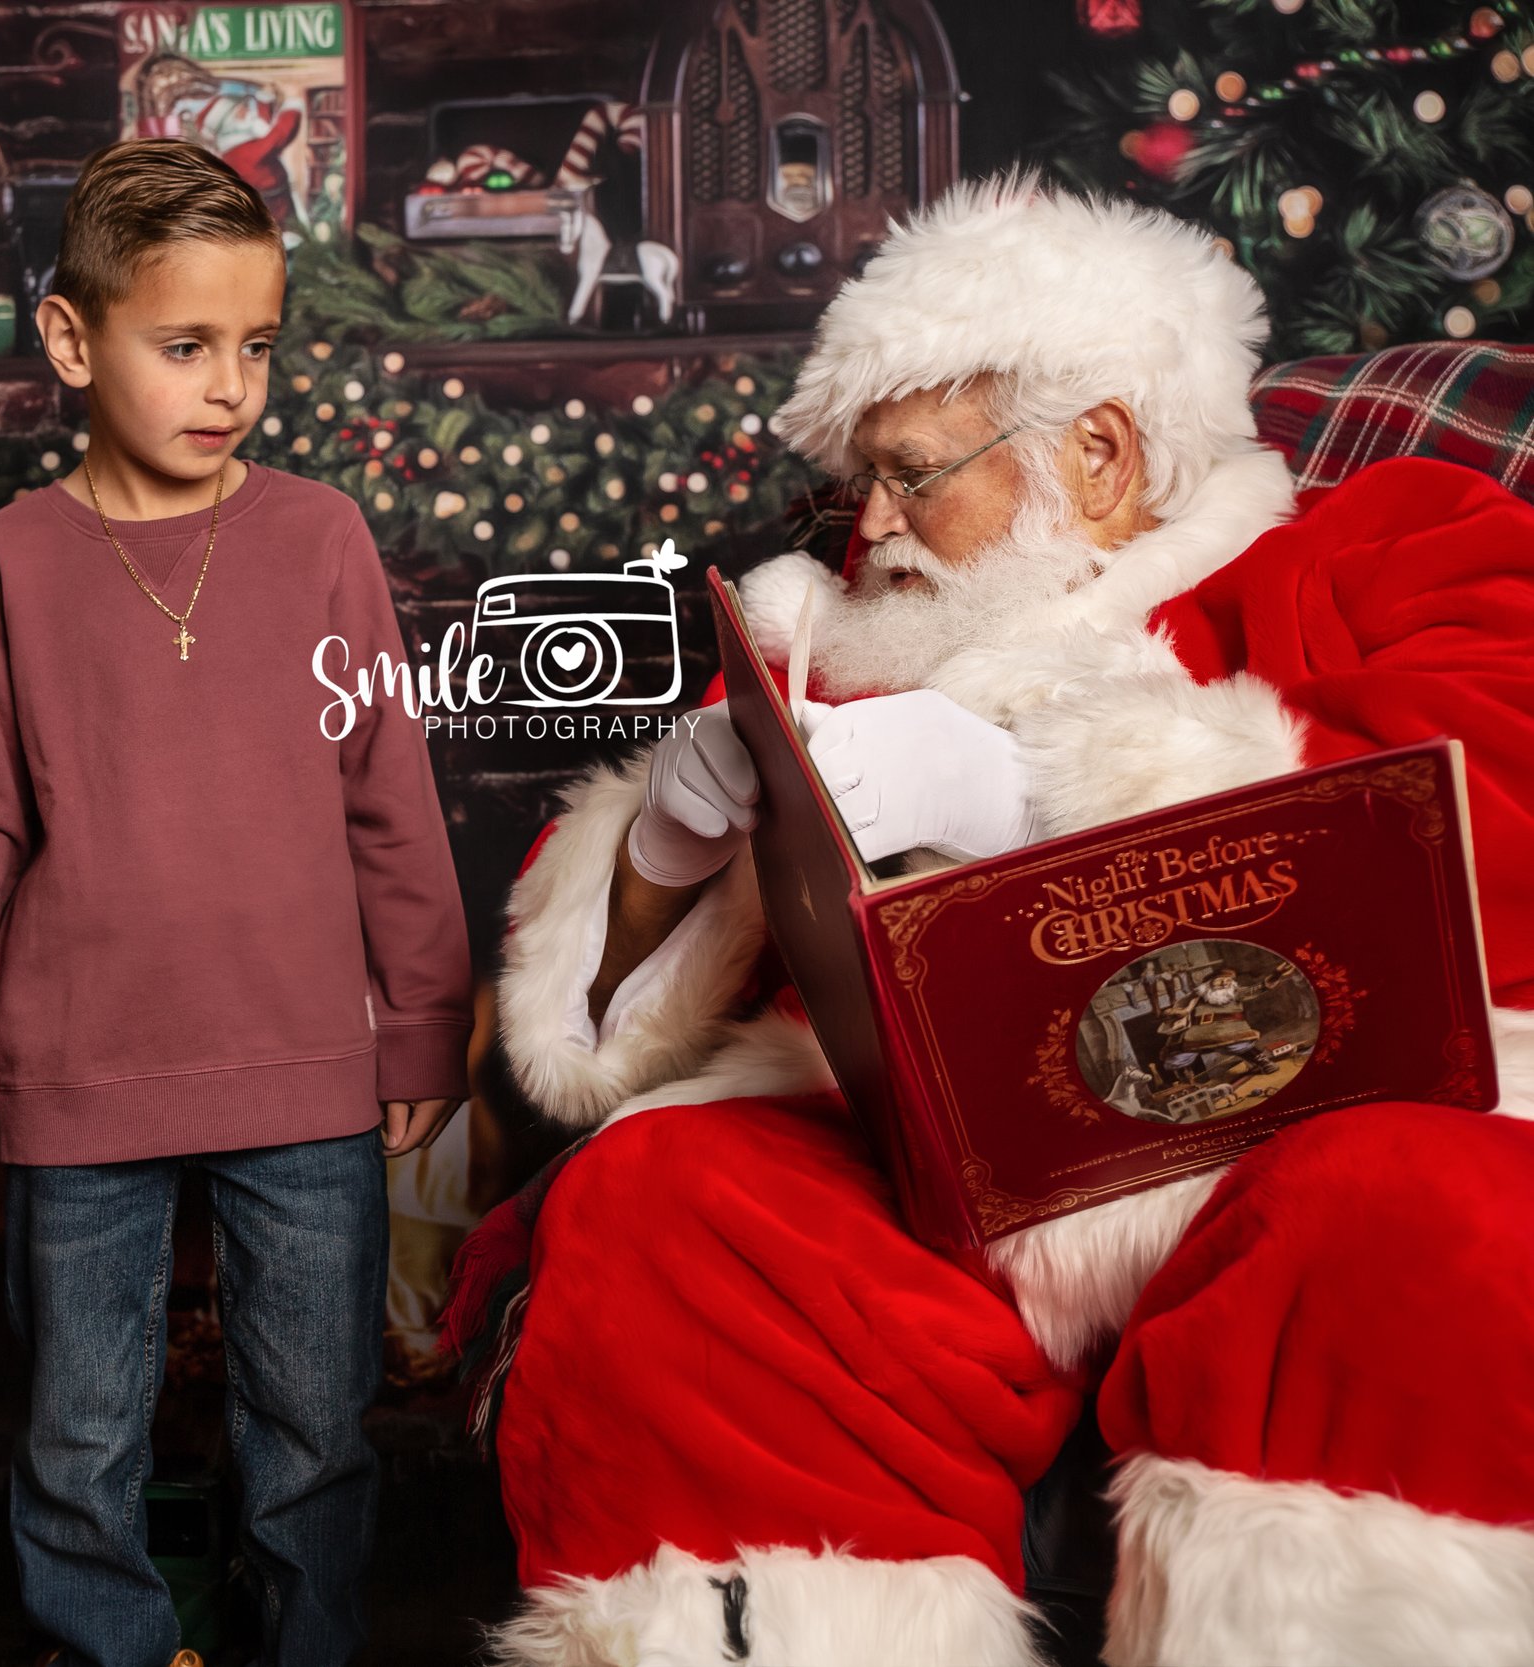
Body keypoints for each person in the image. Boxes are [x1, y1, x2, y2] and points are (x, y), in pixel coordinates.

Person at [473, 174, 1534, 1665]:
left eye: (914, 473)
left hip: (1295, 1125)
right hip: (940, 1186)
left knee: (1420, 1211)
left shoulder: (1383, 543)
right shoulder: (860, 636)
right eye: (866, 482)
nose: (877, 523)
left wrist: (1055, 789)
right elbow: (595, 1026)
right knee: (671, 1200)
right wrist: (668, 840)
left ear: (1099, 454)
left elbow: (1502, 781)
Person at [0, 137, 474, 1667]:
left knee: (316, 1431)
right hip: (78, 1078)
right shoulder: (3, 568)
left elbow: (390, 800)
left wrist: (420, 1028)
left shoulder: (323, 537)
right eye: (185, 344)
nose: (230, 385)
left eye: (257, 347)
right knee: (77, 1443)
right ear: (74, 340)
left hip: (302, 1074)